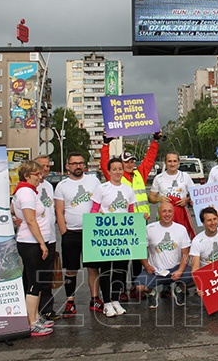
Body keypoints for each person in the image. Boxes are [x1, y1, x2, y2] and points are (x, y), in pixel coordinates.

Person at [101, 131, 160, 301]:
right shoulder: (116, 176)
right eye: (126, 162)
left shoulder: (140, 173)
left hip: (140, 224)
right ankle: (120, 290)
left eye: (132, 161)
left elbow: (149, 158)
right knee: (122, 259)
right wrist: (106, 145)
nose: (130, 164)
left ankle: (136, 286)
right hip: (122, 225)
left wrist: (155, 141)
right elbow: (105, 164)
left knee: (138, 259)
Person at [54, 153, 102, 317]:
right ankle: (70, 301)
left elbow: (100, 203)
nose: (78, 166)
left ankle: (95, 299)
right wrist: (64, 233)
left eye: (80, 163)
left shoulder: (93, 182)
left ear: (84, 165)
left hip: (91, 232)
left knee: (93, 268)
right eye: (74, 163)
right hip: (71, 233)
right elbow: (59, 211)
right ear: (68, 166)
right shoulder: (62, 186)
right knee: (71, 270)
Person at [90, 157, 138, 318]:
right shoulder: (102, 188)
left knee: (120, 269)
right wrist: (99, 216)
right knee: (105, 270)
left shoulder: (128, 190)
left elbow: (130, 212)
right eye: (114, 169)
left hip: (122, 237)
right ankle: (107, 302)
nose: (117, 172)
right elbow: (94, 210)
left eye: (120, 168)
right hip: (106, 236)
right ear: (109, 171)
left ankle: (116, 299)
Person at [12, 160, 55, 336]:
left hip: (32, 241)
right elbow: (31, 220)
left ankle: (35, 316)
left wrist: (16, 216)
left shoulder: (25, 191)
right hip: (31, 243)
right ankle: (32, 322)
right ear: (27, 175)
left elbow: (13, 209)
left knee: (36, 280)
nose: (40, 177)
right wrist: (42, 243)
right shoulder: (26, 193)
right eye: (37, 174)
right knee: (34, 282)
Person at [134, 202, 193, 309]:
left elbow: (185, 253)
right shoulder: (149, 228)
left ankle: (179, 289)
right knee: (139, 287)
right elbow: (141, 250)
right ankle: (151, 292)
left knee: (198, 277)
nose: (167, 214)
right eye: (164, 211)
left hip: (176, 269)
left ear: (173, 213)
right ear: (159, 213)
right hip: (156, 270)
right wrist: (147, 266)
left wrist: (180, 270)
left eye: (170, 211)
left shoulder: (181, 229)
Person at [149, 152, 195, 239]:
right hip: (164, 214)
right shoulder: (159, 178)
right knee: (164, 238)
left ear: (178, 162)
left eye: (175, 161)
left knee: (181, 238)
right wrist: (159, 199)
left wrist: (187, 200)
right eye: (169, 161)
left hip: (181, 213)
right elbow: (151, 198)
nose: (172, 164)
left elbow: (195, 194)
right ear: (165, 163)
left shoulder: (185, 176)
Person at [34, 155, 58, 321]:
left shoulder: (49, 186)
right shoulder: (27, 187)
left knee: (47, 276)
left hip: (50, 237)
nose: (45, 169)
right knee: (32, 276)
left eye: (48, 166)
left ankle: (47, 308)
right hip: (34, 239)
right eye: (42, 166)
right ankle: (31, 311)